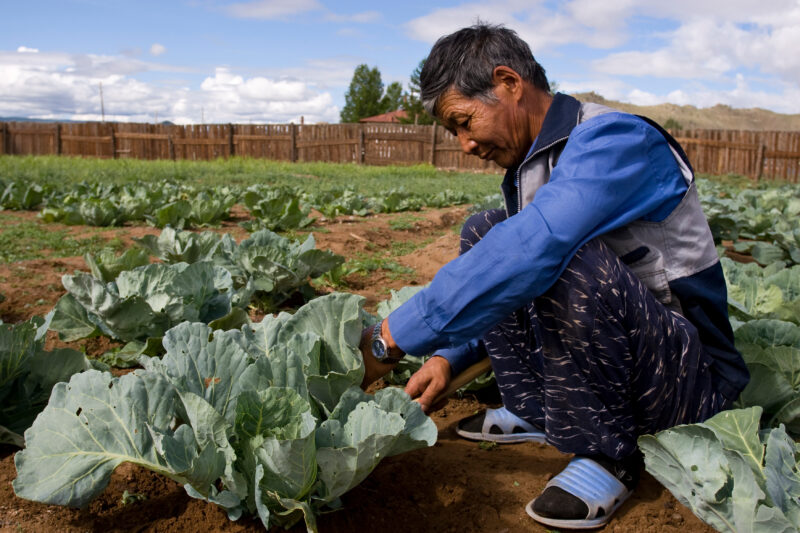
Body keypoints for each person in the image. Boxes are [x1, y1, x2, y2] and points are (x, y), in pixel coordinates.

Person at [358, 23, 748, 530]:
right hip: (628, 363)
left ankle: (609, 452)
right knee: (486, 231)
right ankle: (543, 413)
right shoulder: (533, 161)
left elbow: (535, 249)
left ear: (508, 83)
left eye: (464, 121)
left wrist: (389, 339)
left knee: (557, 253)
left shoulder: (617, 138)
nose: (465, 144)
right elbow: (510, 268)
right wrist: (449, 358)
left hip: (687, 380)